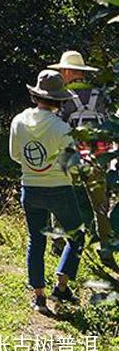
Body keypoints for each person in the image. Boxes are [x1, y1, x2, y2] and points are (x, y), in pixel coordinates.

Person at [9, 69, 84, 314]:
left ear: (36, 95)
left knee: (36, 240)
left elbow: (14, 155)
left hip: (30, 188)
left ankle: (39, 298)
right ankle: (61, 285)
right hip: (59, 189)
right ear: (59, 100)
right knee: (76, 236)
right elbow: (71, 163)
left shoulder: (19, 120)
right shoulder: (62, 129)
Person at [47, 50, 113, 260]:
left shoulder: (63, 97)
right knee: (100, 205)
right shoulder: (100, 94)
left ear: (67, 71)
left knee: (62, 198)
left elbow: (56, 127)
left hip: (71, 157)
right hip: (97, 158)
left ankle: (59, 243)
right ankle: (106, 248)